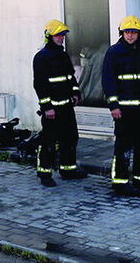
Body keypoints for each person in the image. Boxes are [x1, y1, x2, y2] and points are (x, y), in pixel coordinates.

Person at [101, 15, 140, 196]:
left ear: (139, 34)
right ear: (121, 33)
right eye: (127, 32)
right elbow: (108, 80)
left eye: (134, 32)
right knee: (123, 146)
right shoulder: (114, 52)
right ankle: (120, 183)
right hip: (124, 111)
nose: (130, 35)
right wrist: (113, 105)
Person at [32, 19, 87, 187]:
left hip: (67, 107)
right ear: (49, 36)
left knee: (70, 138)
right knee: (49, 141)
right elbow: (40, 85)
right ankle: (44, 174)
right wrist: (47, 107)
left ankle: (68, 170)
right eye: (58, 35)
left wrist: (76, 93)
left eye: (62, 35)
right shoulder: (41, 58)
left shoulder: (63, 55)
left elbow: (70, 77)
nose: (61, 37)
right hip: (52, 110)